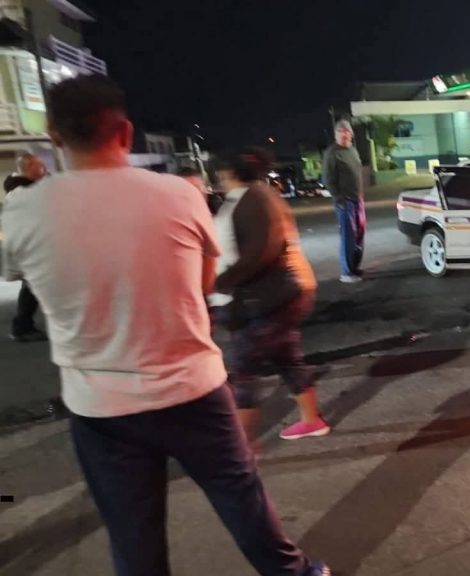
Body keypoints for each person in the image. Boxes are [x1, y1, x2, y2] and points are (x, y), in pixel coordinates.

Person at [1, 75, 328, 576]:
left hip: (100, 404)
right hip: (192, 387)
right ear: (126, 132)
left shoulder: (23, 209)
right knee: (241, 499)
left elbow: (18, 273)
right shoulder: (177, 194)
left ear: (54, 136)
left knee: (134, 532)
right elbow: (203, 283)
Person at [211, 148, 328, 443]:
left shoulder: (251, 200)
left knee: (243, 372)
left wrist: (220, 282)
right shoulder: (259, 195)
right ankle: (311, 420)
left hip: (265, 301)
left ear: (229, 172)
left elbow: (259, 253)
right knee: (287, 358)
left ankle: (241, 447)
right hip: (279, 296)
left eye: (220, 173)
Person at [5, 153, 48, 342]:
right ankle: (22, 327)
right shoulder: (21, 192)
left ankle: (23, 326)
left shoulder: (26, 188)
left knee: (32, 286)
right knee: (32, 286)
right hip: (30, 246)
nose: (43, 169)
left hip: (33, 244)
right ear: (28, 168)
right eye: (39, 166)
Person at [322, 119, 364, 283]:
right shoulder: (332, 153)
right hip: (344, 201)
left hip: (357, 199)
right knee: (348, 237)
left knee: (359, 235)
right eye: (341, 131)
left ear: (351, 134)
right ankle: (347, 273)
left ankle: (354, 267)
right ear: (336, 134)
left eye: (347, 131)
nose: (344, 134)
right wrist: (338, 198)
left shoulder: (352, 151)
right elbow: (328, 179)